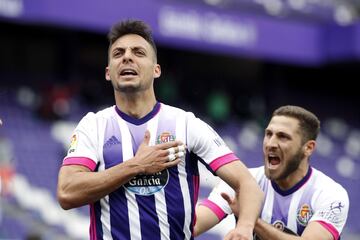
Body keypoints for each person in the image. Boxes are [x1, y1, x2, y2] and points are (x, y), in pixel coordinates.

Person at [57, 19, 263, 240]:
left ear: (156, 70)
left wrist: (244, 227)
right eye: (118, 53)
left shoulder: (186, 124)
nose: (127, 57)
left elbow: (248, 183)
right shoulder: (94, 125)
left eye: (138, 52)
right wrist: (136, 166)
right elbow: (67, 192)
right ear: (109, 72)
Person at [194, 105, 349, 240]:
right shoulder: (244, 182)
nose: (271, 143)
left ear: (308, 148)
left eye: (283, 137)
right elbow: (193, 226)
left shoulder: (331, 194)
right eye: (269, 134)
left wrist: (249, 219)